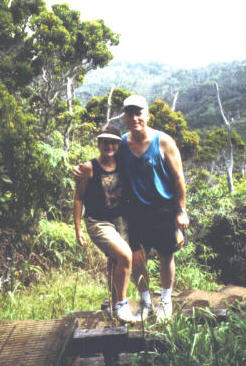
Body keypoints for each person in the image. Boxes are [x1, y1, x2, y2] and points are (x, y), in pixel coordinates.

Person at [120, 94, 189, 321]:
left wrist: (181, 210)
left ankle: (166, 301)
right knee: (137, 259)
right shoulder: (122, 143)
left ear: (147, 115)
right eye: (130, 113)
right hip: (135, 211)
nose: (134, 117)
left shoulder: (164, 141)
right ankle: (146, 302)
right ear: (125, 117)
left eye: (138, 112)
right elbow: (106, 165)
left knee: (165, 255)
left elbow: (178, 178)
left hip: (163, 209)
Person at [73, 124, 135, 324]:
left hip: (120, 220)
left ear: (118, 145)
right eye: (105, 141)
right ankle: (121, 305)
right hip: (98, 222)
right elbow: (78, 198)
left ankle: (111, 302)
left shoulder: (123, 164)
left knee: (115, 261)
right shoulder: (89, 168)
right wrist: (78, 229)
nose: (109, 146)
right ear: (98, 143)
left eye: (113, 142)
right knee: (125, 256)